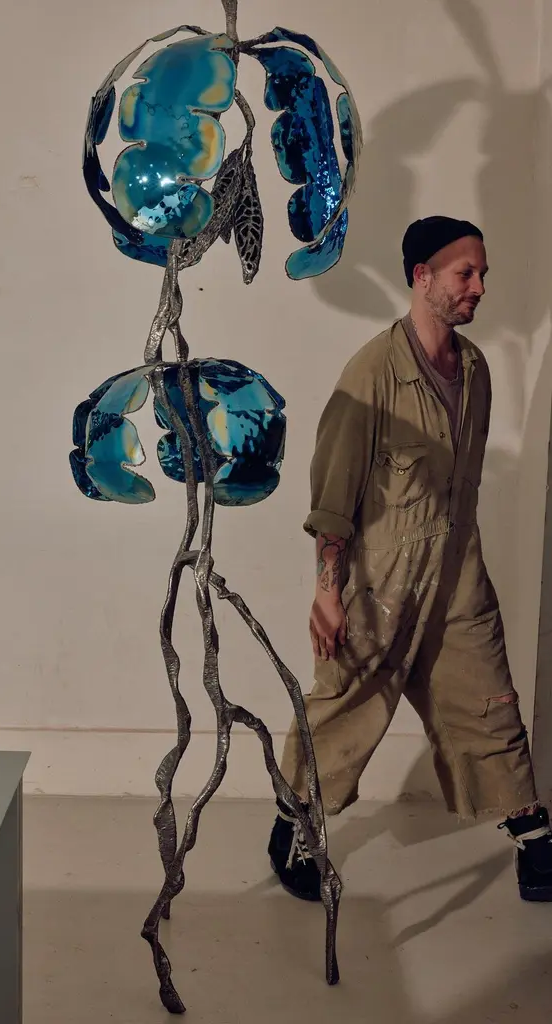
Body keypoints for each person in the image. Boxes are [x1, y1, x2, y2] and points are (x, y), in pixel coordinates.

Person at [268, 215, 552, 903]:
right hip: (381, 580)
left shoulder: (475, 369)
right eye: (464, 273)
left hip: (457, 572)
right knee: (346, 704)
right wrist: (328, 591)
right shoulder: (371, 374)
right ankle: (293, 823)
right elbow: (333, 496)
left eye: (482, 274)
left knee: (486, 698)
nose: (477, 287)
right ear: (421, 277)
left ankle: (533, 839)